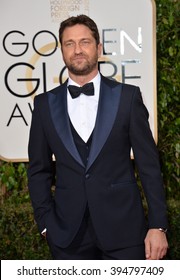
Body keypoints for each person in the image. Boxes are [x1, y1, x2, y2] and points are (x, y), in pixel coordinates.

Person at [27, 14, 168, 260]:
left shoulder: (128, 97)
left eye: (85, 42)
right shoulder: (43, 105)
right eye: (69, 43)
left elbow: (149, 166)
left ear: (99, 48)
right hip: (67, 237)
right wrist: (46, 223)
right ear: (62, 51)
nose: (77, 50)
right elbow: (38, 170)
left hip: (125, 233)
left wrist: (158, 226)